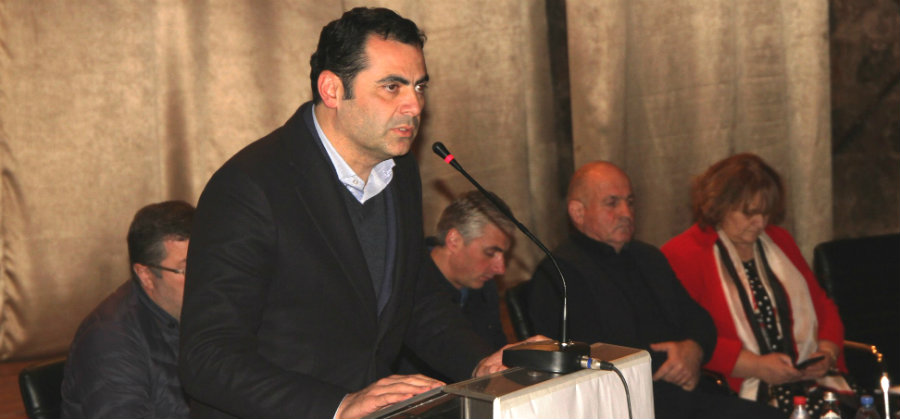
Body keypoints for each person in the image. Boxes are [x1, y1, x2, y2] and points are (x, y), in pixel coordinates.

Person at [179, 8, 519, 419]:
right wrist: (337, 405)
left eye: (419, 86)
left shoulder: (399, 171)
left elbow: (414, 300)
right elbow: (207, 357)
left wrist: (480, 364)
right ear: (332, 90)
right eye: (392, 87)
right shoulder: (251, 186)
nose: (414, 105)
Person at [525, 161, 783, 419]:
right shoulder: (558, 274)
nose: (626, 212)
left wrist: (692, 349)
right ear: (578, 212)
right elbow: (587, 356)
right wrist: (674, 363)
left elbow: (700, 320)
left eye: (630, 202)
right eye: (612, 203)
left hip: (686, 394)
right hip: (627, 404)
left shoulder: (648, 257)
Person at [661, 153, 849, 416]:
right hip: (737, 391)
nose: (760, 223)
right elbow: (688, 337)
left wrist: (826, 352)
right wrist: (756, 366)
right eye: (749, 213)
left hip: (809, 383)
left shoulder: (779, 240)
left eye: (765, 213)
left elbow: (823, 305)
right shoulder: (683, 254)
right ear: (719, 206)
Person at [60, 200, 194, 418]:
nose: (205, 277)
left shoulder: (213, 309)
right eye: (187, 269)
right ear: (146, 275)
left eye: (206, 262)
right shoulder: (109, 340)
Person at [395, 191, 514, 378]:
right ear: (454, 240)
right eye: (490, 253)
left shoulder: (485, 287)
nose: (500, 269)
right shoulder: (405, 281)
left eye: (503, 255)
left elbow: (497, 359)